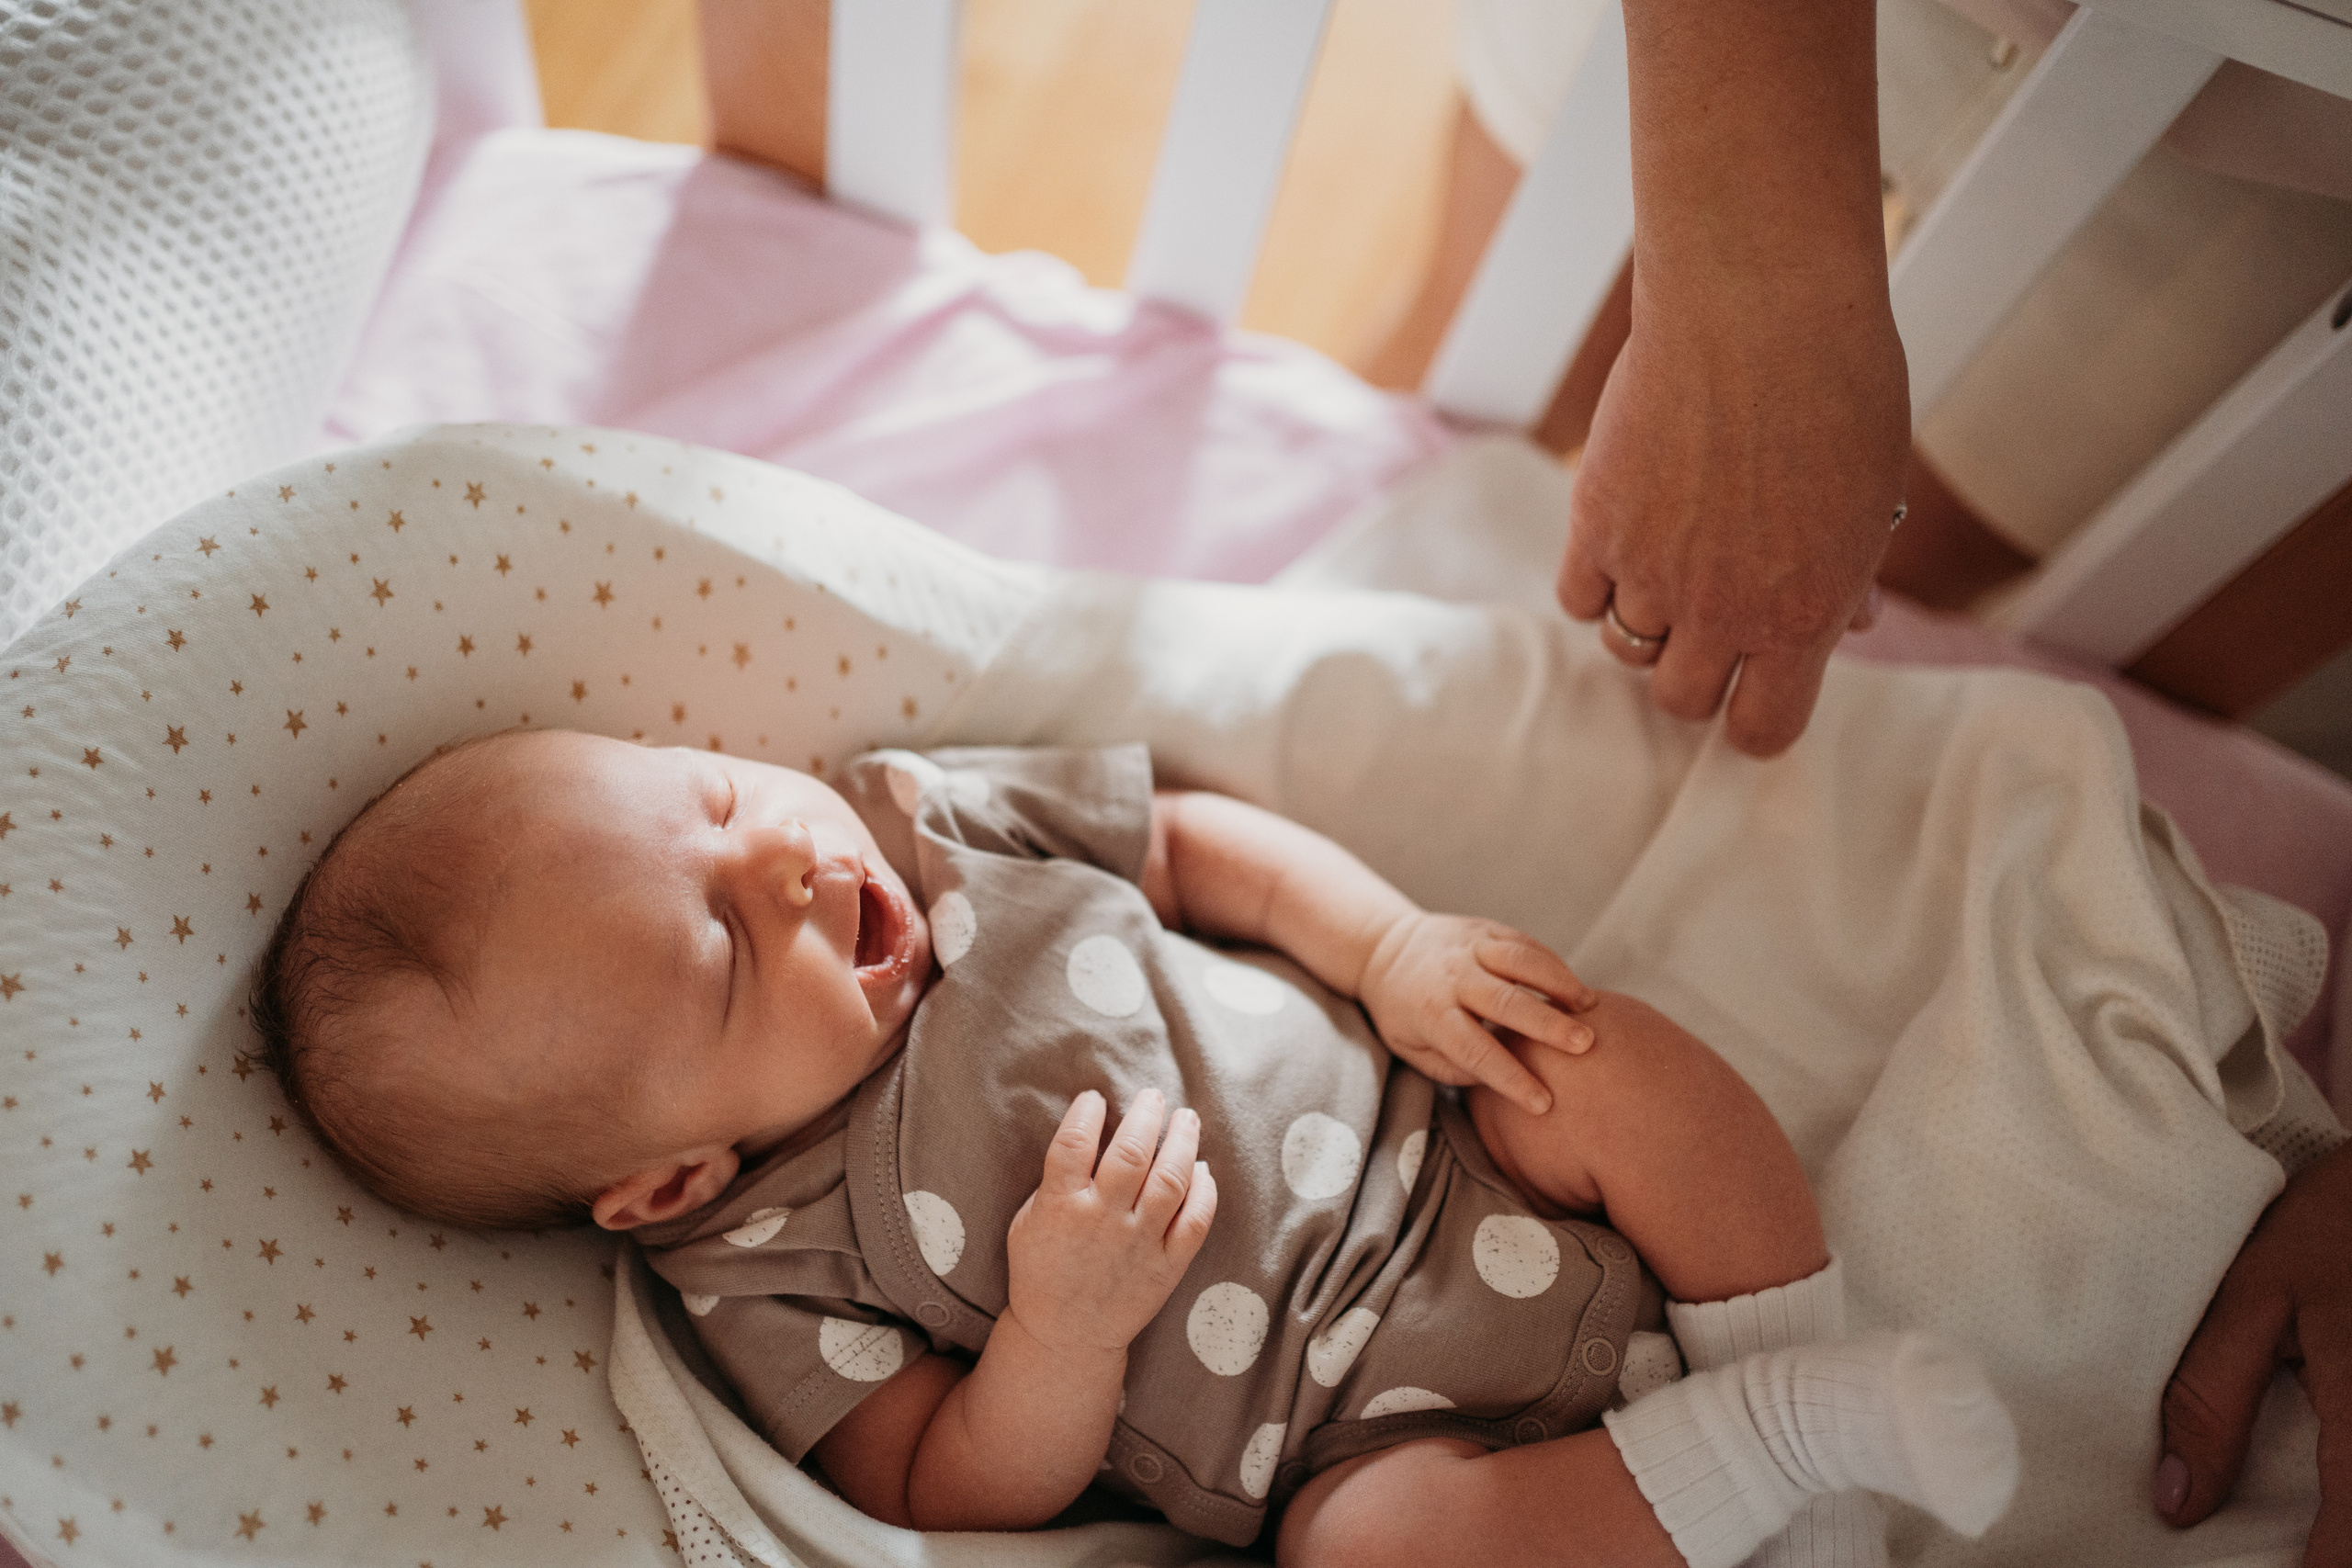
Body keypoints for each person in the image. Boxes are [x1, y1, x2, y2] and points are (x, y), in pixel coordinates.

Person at [250, 729, 2018, 1567]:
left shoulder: (933, 824)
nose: (782, 863)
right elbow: (936, 1483)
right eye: (720, 952)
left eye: (714, 799)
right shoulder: (758, 1265)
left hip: (1472, 1162)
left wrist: (1389, 949)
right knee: (1372, 1564)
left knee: (1595, 1064)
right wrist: (1064, 1330)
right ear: (664, 1178)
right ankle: (1778, 1446)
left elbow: (1189, 849)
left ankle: (1800, 1386)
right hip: (1372, 1450)